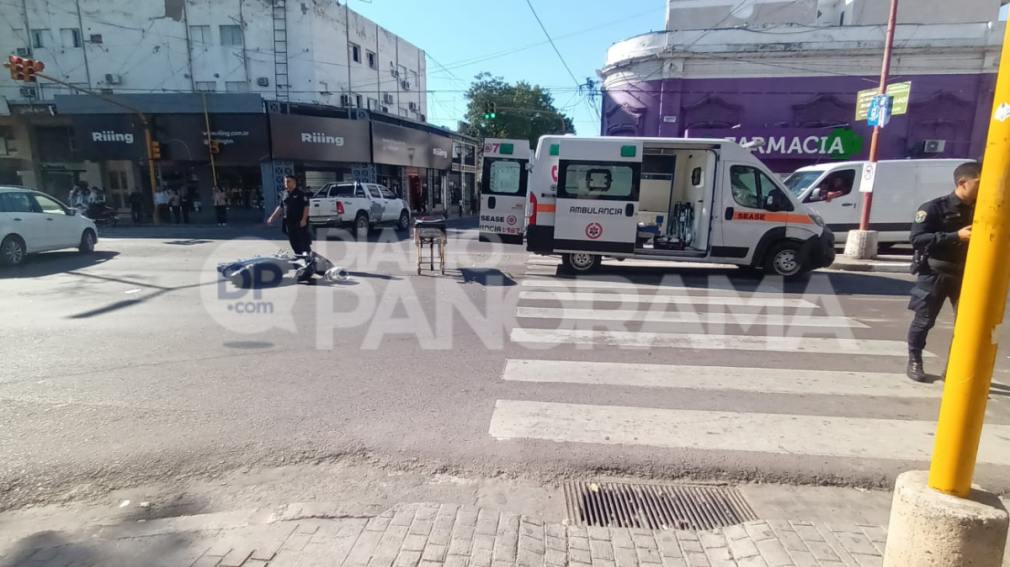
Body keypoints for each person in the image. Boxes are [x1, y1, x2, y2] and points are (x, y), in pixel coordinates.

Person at [905, 161, 981, 383]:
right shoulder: (934, 208)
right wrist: (955, 236)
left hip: (967, 275)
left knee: (967, 325)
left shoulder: (984, 208)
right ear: (963, 183)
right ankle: (915, 360)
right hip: (935, 273)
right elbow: (917, 239)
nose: (984, 187)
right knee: (924, 320)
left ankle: (954, 367)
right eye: (979, 182)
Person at [266, 175, 315, 284]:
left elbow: (306, 207)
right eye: (285, 182)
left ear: (294, 182)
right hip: (289, 224)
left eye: (288, 181)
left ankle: (309, 268)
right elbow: (280, 207)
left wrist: (304, 219)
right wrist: (272, 217)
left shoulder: (301, 194)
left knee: (304, 246)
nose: (286, 183)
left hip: (300, 224)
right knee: (295, 246)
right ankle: (301, 267)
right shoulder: (284, 194)